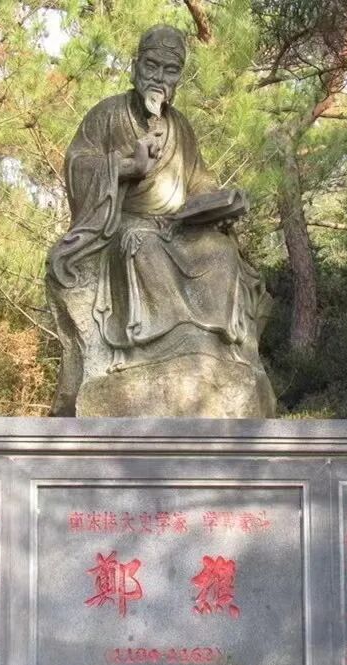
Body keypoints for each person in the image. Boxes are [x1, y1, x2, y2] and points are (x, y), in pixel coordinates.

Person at [46, 25, 275, 417]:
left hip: (179, 226)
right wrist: (125, 166)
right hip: (125, 223)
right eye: (151, 65)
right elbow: (78, 165)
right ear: (135, 66)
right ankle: (162, 347)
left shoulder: (180, 127)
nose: (158, 77)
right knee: (142, 244)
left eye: (170, 70)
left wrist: (218, 203)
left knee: (221, 252)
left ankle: (210, 348)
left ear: (178, 78)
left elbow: (198, 180)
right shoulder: (108, 115)